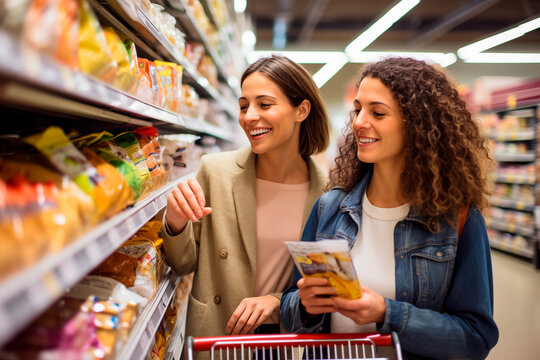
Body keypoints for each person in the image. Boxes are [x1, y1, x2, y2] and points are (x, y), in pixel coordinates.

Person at [280, 57, 499, 359]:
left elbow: (475, 337)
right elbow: (292, 305)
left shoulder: (458, 220)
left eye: (377, 113)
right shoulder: (329, 208)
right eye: (357, 110)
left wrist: (387, 313)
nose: (358, 122)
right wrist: (304, 307)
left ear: (417, 124)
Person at [162, 55, 330, 344]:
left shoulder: (329, 191)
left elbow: (324, 284)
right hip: (220, 335)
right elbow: (184, 264)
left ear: (301, 110)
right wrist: (176, 222)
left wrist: (277, 301)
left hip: (289, 339)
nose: (249, 116)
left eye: (264, 104)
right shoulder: (215, 171)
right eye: (243, 106)